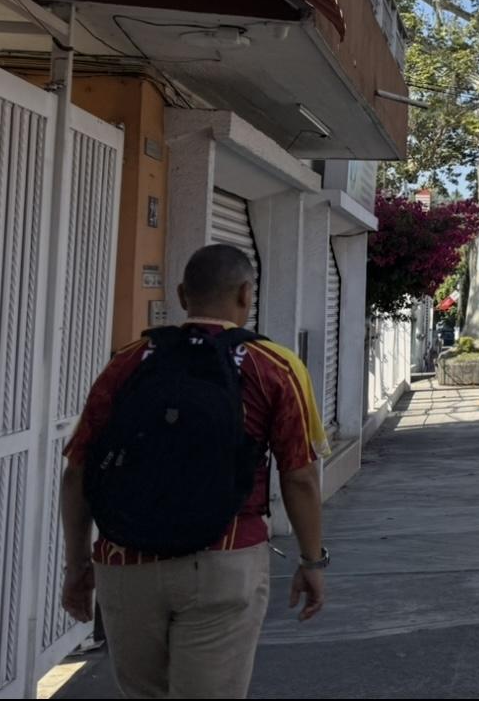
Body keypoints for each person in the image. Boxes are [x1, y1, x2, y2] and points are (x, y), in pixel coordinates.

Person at [60, 244, 330, 699]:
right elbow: (300, 476)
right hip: (224, 561)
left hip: (126, 564)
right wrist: (312, 560)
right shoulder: (276, 367)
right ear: (247, 294)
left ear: (184, 295)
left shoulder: (127, 362)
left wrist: (76, 565)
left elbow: (78, 471)